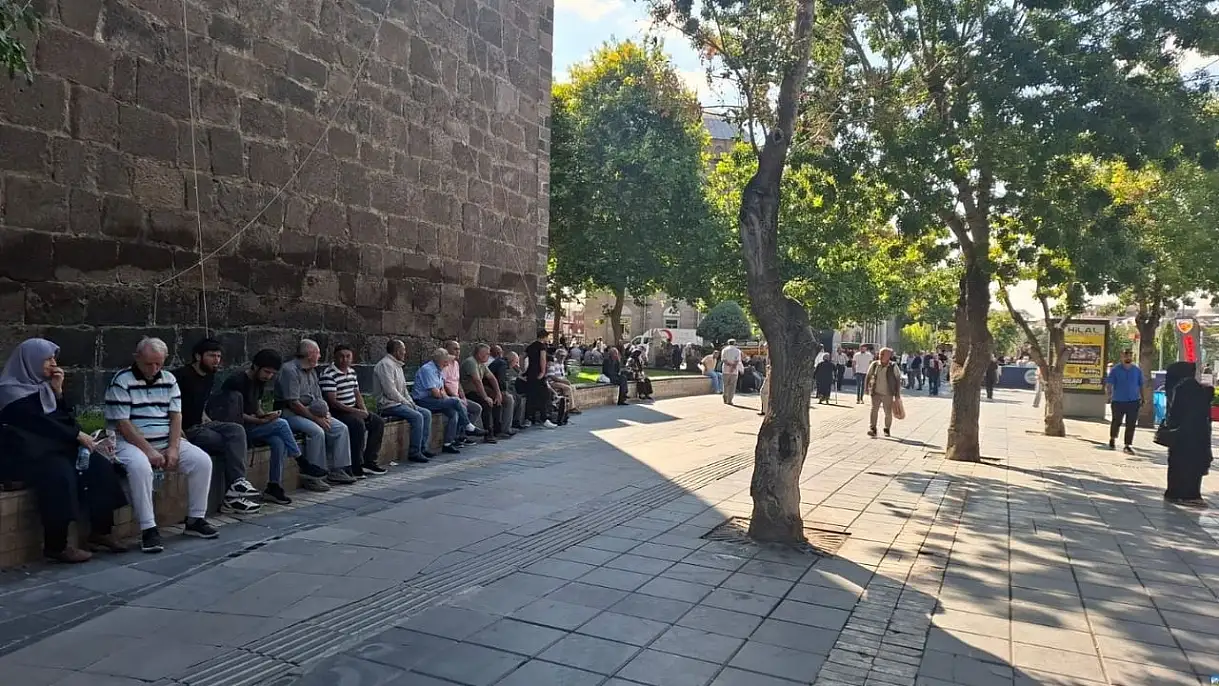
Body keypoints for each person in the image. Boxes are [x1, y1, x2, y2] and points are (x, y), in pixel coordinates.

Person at [0, 339, 127, 562]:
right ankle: (56, 545)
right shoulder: (10, 392)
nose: (53, 364)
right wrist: (77, 435)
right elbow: (39, 423)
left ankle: (101, 531)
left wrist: (58, 393)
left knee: (99, 467)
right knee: (60, 476)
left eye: (53, 359)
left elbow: (64, 419)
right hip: (27, 454)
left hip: (55, 446)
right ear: (31, 361)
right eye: (47, 359)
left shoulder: (44, 388)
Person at [105, 337, 217, 554]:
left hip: (164, 439)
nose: (154, 369)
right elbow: (123, 423)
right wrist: (149, 451)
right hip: (128, 442)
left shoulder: (169, 379)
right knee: (140, 468)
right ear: (137, 358)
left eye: (159, 363)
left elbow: (176, 417)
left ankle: (195, 519)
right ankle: (148, 528)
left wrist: (173, 448)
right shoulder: (121, 381)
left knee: (202, 461)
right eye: (149, 363)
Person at [172, 338, 261, 514]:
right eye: (212, 356)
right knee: (226, 444)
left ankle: (237, 484)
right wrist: (178, 434)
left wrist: (206, 418)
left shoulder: (209, 376)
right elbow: (171, 408)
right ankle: (232, 497)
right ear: (198, 356)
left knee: (236, 430)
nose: (216, 360)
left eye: (219, 356)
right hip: (186, 430)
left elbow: (201, 403)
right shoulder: (180, 376)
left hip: (201, 423)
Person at [221, 349, 308, 504]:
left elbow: (257, 408)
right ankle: (300, 460)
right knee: (282, 424)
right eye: (267, 372)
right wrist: (259, 421)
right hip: (237, 430)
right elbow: (235, 415)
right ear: (256, 366)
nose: (269, 376)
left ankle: (274, 486)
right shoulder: (236, 381)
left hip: (253, 425)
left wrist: (266, 416)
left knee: (278, 441)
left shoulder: (259, 382)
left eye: (272, 374)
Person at [275, 339, 356, 490]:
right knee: (317, 431)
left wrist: (327, 414)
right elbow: (293, 403)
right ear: (310, 354)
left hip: (313, 411)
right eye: (318, 353)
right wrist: (315, 419)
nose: (320, 356)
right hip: (291, 413)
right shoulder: (289, 370)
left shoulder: (312, 371)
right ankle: (313, 476)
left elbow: (318, 397)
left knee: (341, 428)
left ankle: (337, 470)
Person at [321, 345, 388, 477]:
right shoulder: (328, 375)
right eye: (341, 356)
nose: (344, 359)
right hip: (338, 412)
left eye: (348, 356)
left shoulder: (351, 372)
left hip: (353, 408)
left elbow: (357, 393)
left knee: (378, 422)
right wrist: (355, 412)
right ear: (335, 357)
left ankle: (370, 461)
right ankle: (356, 466)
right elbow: (333, 402)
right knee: (357, 425)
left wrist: (363, 410)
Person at [1161, 361, 1212, 506]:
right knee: (1191, 466)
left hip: (1178, 435)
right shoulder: (1189, 387)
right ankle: (1189, 495)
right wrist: (1208, 392)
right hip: (1192, 435)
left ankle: (1173, 493)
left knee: (1176, 465)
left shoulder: (1174, 386)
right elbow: (1198, 408)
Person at [374, 339, 433, 463]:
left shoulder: (398, 365)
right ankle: (414, 452)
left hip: (400, 403)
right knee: (417, 417)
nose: (405, 352)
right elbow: (390, 391)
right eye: (403, 350)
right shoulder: (385, 365)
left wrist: (410, 402)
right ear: (397, 351)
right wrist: (406, 403)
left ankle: (422, 448)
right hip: (388, 404)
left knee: (426, 413)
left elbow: (404, 389)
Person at [413, 349, 467, 453]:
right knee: (456, 401)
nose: (447, 363)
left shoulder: (439, 369)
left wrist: (446, 398)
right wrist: (446, 397)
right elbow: (435, 393)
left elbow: (441, 390)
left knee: (453, 412)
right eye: (446, 361)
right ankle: (468, 425)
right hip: (423, 400)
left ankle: (448, 443)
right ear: (439, 360)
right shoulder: (428, 370)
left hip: (435, 399)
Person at [442, 340, 485, 444]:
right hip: (448, 396)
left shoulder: (456, 364)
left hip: (457, 396)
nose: (458, 351)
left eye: (459, 349)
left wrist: (463, 396)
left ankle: (463, 434)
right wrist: (455, 396)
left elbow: (458, 382)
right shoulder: (444, 364)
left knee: (476, 408)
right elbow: (443, 384)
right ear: (447, 350)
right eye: (455, 349)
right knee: (461, 409)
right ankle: (457, 437)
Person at [461, 344, 505, 442]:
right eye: (487, 354)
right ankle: (488, 434)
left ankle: (497, 430)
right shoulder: (471, 362)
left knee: (496, 400)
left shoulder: (481, 364)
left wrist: (498, 393)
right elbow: (477, 381)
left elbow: (492, 378)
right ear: (480, 354)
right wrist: (485, 397)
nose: (489, 356)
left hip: (477, 391)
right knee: (486, 404)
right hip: (468, 392)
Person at [1106, 348, 1144, 454]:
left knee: (1131, 423)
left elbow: (1141, 385)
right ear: (1121, 357)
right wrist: (1109, 395)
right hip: (1118, 401)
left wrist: (1143, 397)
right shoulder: (1115, 370)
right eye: (1126, 356)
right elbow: (1109, 384)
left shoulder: (1137, 370)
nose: (1128, 358)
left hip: (1133, 401)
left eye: (1130, 356)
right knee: (1116, 422)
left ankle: (1127, 445)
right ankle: (1112, 438)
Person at [865, 347, 901, 438]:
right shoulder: (875, 364)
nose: (880, 356)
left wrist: (897, 394)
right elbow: (868, 376)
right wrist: (866, 388)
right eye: (880, 354)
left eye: (883, 354)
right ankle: (873, 428)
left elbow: (898, 380)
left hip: (888, 393)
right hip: (876, 392)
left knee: (887, 412)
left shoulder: (893, 366)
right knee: (874, 410)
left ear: (888, 356)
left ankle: (887, 429)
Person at [524, 330, 558, 427]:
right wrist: (543, 371)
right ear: (544, 337)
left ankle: (529, 419)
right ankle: (544, 418)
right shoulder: (542, 347)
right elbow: (542, 359)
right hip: (538, 373)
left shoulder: (530, 346)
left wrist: (523, 370)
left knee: (531, 396)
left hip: (530, 373)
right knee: (544, 395)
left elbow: (522, 357)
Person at [488, 347, 525, 432]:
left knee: (518, 397)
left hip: (495, 388)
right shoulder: (503, 364)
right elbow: (501, 380)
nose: (516, 364)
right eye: (516, 362)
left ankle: (515, 422)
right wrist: (504, 391)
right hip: (490, 389)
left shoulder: (503, 363)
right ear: (511, 360)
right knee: (509, 399)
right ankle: (506, 429)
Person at [721, 339, 743, 405]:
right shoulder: (737, 351)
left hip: (725, 369)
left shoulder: (724, 350)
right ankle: (729, 400)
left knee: (725, 385)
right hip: (734, 371)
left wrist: (729, 365)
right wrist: (732, 368)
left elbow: (723, 360)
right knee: (732, 386)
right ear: (734, 343)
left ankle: (725, 397)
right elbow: (737, 361)